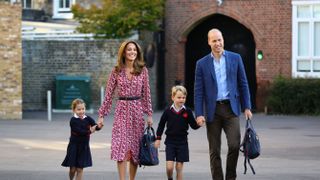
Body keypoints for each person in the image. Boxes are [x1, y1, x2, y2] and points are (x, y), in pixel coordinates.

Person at [194, 28, 253, 180]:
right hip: (212, 110)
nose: (217, 43)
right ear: (209, 42)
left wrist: (247, 106)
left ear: (223, 40)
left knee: (234, 145)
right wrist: (199, 113)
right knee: (214, 150)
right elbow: (198, 91)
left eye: (219, 39)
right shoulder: (201, 64)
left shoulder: (235, 58)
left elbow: (243, 83)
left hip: (231, 108)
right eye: (214, 40)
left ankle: (230, 177)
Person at [97, 40, 153, 180]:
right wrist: (102, 114)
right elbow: (109, 94)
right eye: (129, 49)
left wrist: (149, 114)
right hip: (121, 111)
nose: (132, 52)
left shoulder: (143, 70)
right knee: (120, 146)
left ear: (137, 52)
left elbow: (146, 94)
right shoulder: (116, 71)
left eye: (134, 50)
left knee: (135, 148)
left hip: (137, 112)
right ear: (123, 52)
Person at [154, 85, 199, 180]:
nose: (181, 99)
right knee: (169, 167)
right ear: (173, 97)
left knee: (179, 167)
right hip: (170, 142)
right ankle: (170, 178)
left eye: (183, 97)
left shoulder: (187, 111)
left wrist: (199, 124)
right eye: (179, 97)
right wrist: (158, 139)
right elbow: (161, 125)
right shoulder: (167, 111)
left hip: (182, 142)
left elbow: (193, 126)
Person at [61, 98, 103, 180]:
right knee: (72, 169)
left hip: (84, 147)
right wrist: (90, 131)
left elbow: (94, 126)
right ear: (74, 110)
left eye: (83, 109)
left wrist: (98, 126)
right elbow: (79, 132)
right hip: (74, 147)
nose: (81, 111)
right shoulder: (73, 120)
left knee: (80, 169)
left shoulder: (88, 118)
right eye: (79, 109)